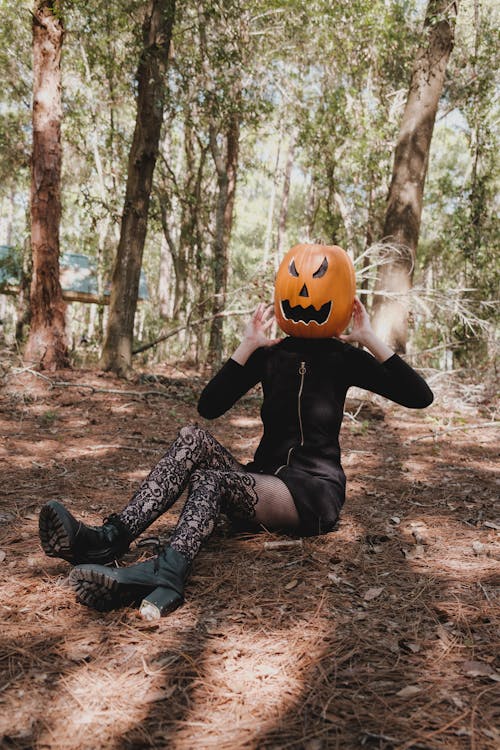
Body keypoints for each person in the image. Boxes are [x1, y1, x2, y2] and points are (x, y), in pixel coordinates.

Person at [39, 297, 433, 620]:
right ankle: (110, 539)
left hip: (311, 491)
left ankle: (168, 574)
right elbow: (209, 407)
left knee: (211, 481)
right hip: (259, 481)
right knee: (192, 439)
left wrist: (369, 338)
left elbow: (419, 396)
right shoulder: (271, 355)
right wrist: (247, 346)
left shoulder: (345, 358)